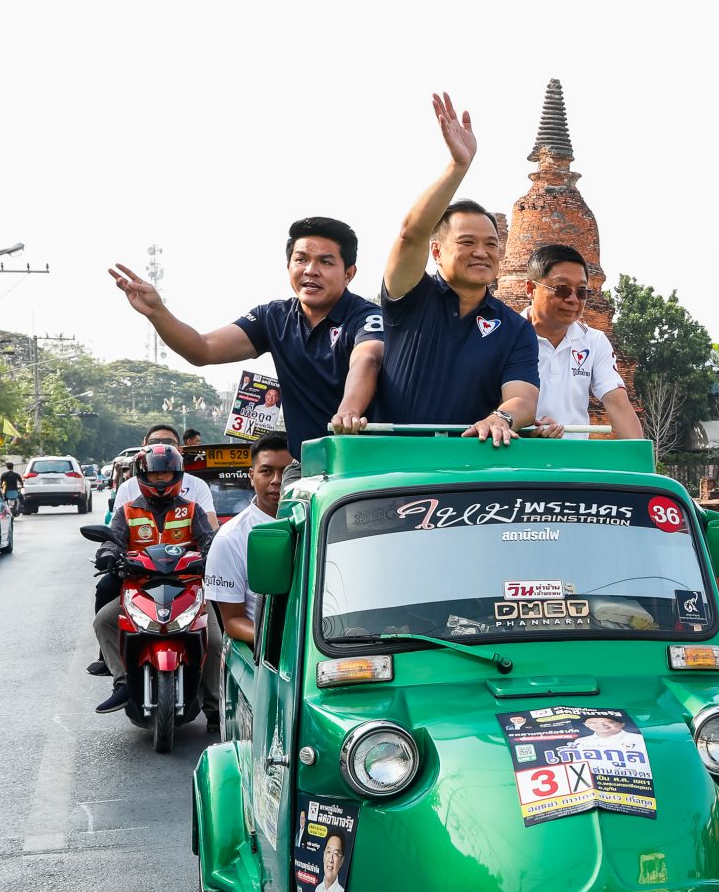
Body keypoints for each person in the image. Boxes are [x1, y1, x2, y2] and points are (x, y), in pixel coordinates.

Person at [109, 217, 384, 451]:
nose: (311, 270)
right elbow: (203, 349)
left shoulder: (367, 317)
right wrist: (157, 312)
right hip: (306, 467)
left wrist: (349, 410)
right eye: (301, 259)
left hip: (366, 461)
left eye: (326, 262)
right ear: (289, 266)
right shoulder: (272, 317)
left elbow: (367, 359)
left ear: (349, 273)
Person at [365, 93, 544, 446]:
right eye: (467, 243)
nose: (482, 253)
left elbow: (523, 398)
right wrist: (457, 167)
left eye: (491, 244)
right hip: (393, 466)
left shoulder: (515, 329)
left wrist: (501, 417)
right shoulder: (410, 297)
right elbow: (409, 234)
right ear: (436, 251)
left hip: (469, 473)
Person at [92, 445, 218, 714]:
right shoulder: (126, 511)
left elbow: (209, 541)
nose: (160, 480)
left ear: (179, 475)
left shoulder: (192, 510)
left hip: (188, 588)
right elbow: (112, 541)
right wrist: (107, 555)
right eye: (154, 474)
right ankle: (122, 682)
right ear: (141, 476)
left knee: (216, 640)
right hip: (140, 588)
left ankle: (214, 707)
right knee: (103, 620)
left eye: (167, 474)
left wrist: (209, 556)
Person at [521, 245, 643, 440]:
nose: (573, 299)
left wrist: (641, 464)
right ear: (531, 289)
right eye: (561, 289)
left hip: (575, 460)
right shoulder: (507, 337)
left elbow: (619, 405)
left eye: (582, 292)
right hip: (516, 457)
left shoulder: (594, 342)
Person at [204, 434, 293, 651]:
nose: (276, 480)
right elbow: (233, 622)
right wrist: (283, 645)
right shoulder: (229, 539)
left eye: (286, 472)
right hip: (268, 658)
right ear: (252, 476)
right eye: (267, 471)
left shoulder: (322, 523)